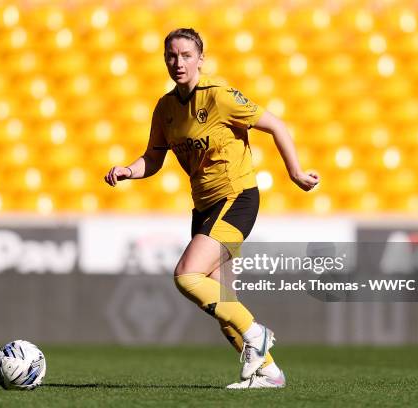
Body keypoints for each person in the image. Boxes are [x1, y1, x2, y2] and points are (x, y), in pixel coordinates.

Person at [104, 28, 319, 389]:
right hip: (204, 208)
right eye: (171, 56)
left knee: (187, 276)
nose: (178, 62)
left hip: (236, 198)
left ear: (201, 59)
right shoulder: (166, 108)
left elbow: (275, 125)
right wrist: (129, 170)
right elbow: (153, 158)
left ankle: (257, 333)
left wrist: (295, 172)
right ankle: (269, 373)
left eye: (186, 55)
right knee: (222, 301)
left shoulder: (219, 96)